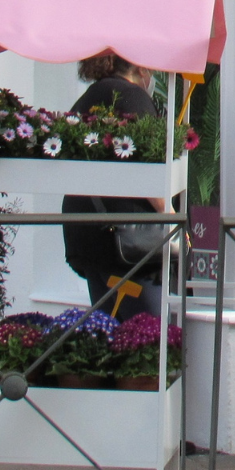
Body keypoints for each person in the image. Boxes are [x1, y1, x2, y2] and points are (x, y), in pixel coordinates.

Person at [61, 52, 165, 319]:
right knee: (143, 331)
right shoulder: (133, 97)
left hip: (87, 233)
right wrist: (171, 214)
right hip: (126, 242)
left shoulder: (89, 98)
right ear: (139, 65)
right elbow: (148, 168)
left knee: (111, 327)